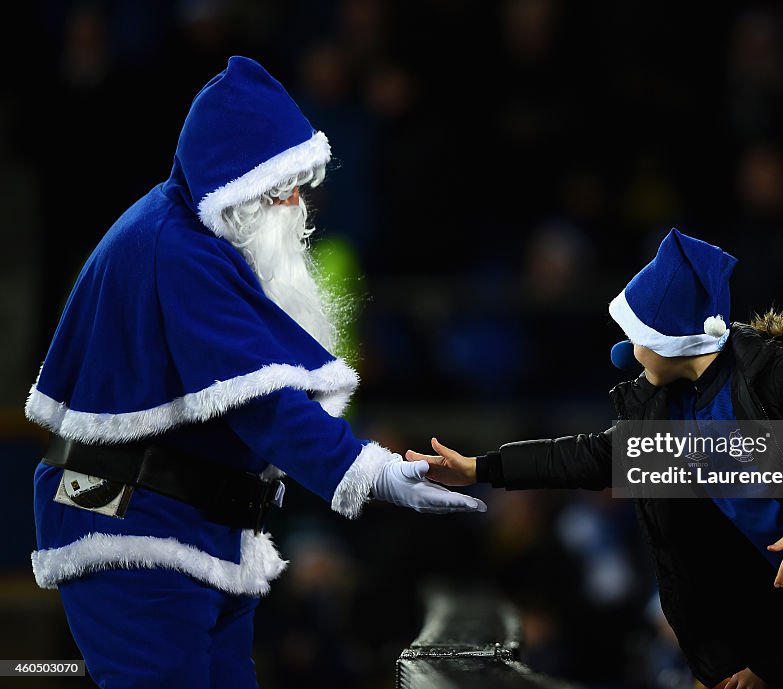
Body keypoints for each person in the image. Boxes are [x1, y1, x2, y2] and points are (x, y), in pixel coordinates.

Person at [25, 55, 485, 689]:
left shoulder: (197, 237)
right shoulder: (178, 249)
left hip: (197, 525)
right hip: (131, 528)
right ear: (237, 187)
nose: (297, 207)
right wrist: (372, 472)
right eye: (282, 189)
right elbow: (259, 400)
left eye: (301, 186)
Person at [411, 229, 783, 689]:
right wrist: (480, 469)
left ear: (667, 339)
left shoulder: (770, 374)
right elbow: (593, 456)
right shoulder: (671, 411)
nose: (630, 353)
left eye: (636, 338)